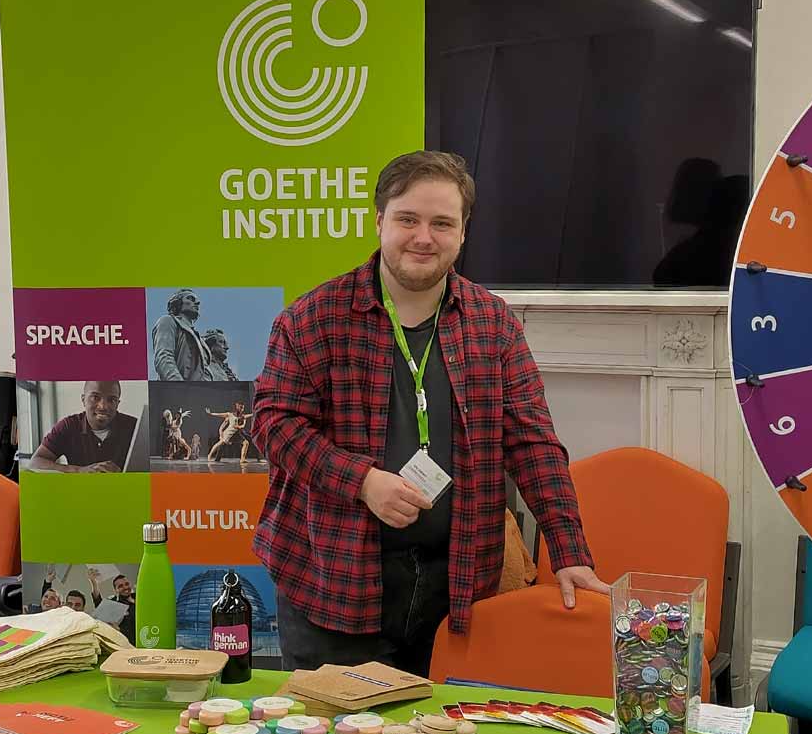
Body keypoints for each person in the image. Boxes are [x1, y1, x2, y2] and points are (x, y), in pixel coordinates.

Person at [251, 150, 609, 674]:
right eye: (408, 220)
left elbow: (533, 443)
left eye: (442, 223)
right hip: (334, 582)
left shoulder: (494, 324)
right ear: (379, 222)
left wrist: (569, 549)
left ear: (463, 233)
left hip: (458, 586)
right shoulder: (311, 319)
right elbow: (273, 424)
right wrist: (363, 481)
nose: (424, 237)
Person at [27, 380, 137, 471]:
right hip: (78, 494)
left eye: (111, 400)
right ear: (83, 400)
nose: (103, 406)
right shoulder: (68, 426)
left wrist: (124, 475)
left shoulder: (135, 427)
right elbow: (35, 462)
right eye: (95, 397)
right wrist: (78, 470)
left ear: (118, 403)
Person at [152, 289, 211, 381]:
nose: (197, 302)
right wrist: (179, 386)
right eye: (190, 299)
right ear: (178, 303)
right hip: (179, 391)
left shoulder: (201, 341)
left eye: (196, 300)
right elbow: (164, 357)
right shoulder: (168, 321)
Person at [205, 400, 254, 467]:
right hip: (228, 433)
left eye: (243, 408)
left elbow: (249, 415)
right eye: (241, 407)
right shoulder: (230, 414)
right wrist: (211, 413)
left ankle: (242, 459)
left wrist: (256, 413)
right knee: (220, 444)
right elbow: (220, 415)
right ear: (237, 407)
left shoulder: (242, 416)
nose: (242, 409)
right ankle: (210, 455)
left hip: (236, 433)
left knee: (246, 443)